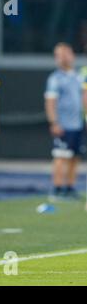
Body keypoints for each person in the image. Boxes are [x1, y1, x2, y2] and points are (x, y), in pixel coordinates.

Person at [44, 43, 87, 201]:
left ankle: (69, 187)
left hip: (78, 124)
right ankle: (56, 189)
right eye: (59, 55)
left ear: (72, 55)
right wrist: (54, 122)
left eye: (66, 54)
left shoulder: (79, 76)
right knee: (61, 157)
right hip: (63, 124)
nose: (63, 58)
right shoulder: (55, 78)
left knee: (75, 157)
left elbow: (83, 99)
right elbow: (50, 102)